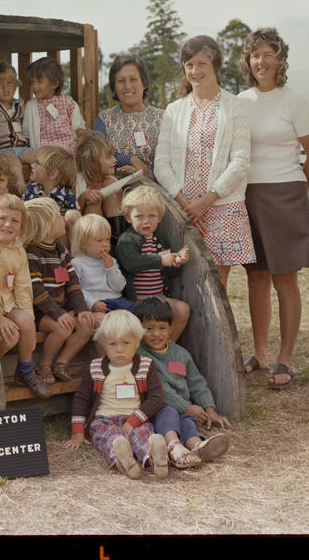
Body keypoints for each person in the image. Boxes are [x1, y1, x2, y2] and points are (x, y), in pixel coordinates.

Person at [237, 27, 309, 389]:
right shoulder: (240, 101)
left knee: (285, 279)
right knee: (255, 277)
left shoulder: (295, 101)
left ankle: (285, 359)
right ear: (248, 61)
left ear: (280, 60)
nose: (262, 61)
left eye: (269, 54)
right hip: (248, 195)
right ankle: (260, 353)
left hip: (286, 193)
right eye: (256, 55)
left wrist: (297, 185)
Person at [154, 35, 256, 288]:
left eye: (201, 64)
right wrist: (187, 205)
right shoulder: (174, 110)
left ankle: (220, 331)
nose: (195, 71)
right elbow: (161, 163)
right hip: (183, 211)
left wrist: (205, 202)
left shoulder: (236, 107)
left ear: (215, 66)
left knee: (216, 288)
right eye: (189, 64)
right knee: (184, 285)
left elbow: (241, 161)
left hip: (222, 207)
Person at [63, 310, 168, 480]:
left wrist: (133, 421)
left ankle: (155, 459)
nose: (119, 350)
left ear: (137, 342)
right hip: (104, 419)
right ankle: (124, 462)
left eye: (126, 343)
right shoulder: (96, 367)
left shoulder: (146, 365)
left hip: (135, 418)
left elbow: (156, 398)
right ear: (103, 344)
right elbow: (81, 398)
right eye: (112, 344)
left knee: (142, 435)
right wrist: (77, 432)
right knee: (110, 438)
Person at [132, 297, 230, 469]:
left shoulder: (181, 354)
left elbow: (197, 383)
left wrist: (209, 409)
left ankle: (197, 445)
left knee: (187, 420)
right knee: (169, 411)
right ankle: (174, 446)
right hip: (155, 406)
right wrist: (185, 406)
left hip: (184, 407)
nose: (156, 334)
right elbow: (161, 390)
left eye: (162, 328)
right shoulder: (141, 355)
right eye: (149, 329)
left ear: (170, 329)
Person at [0, 194, 51, 398]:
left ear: (21, 227)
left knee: (24, 321)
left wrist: (30, 328)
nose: (8, 224)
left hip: (8, 304)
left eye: (15, 221)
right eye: (2, 218)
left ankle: (23, 370)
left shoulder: (18, 251)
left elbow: (23, 287)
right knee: (10, 336)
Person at [22, 197, 96, 384]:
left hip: (61, 308)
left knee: (87, 323)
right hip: (42, 312)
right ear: (45, 225)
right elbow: (36, 291)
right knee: (63, 328)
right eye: (58, 216)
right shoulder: (32, 253)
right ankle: (44, 364)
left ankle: (62, 362)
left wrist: (81, 309)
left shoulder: (60, 249)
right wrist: (57, 313)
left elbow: (72, 281)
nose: (63, 218)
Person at [114, 185, 190, 342]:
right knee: (147, 324)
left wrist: (176, 262)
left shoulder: (160, 240)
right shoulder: (127, 239)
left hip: (159, 297)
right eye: (139, 216)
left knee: (182, 310)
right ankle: (150, 349)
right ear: (128, 217)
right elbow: (131, 263)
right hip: (137, 300)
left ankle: (166, 346)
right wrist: (160, 260)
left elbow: (169, 273)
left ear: (160, 217)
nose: (146, 221)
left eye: (152, 216)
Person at [92, 53, 164, 179]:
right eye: (121, 81)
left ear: (144, 83)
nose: (127, 86)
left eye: (133, 79)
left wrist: (143, 173)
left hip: (156, 191)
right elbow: (97, 155)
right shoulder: (104, 120)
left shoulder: (162, 118)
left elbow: (172, 160)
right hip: (115, 191)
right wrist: (131, 160)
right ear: (114, 86)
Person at [0, 60, 35, 195]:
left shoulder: (20, 106)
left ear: (15, 85)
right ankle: (21, 186)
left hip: (22, 147)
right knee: (13, 162)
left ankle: (36, 182)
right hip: (3, 148)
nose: (5, 87)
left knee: (37, 157)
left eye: (9, 83)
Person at [70, 214, 132, 323]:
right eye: (99, 240)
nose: (105, 244)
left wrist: (111, 268)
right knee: (107, 322)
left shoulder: (111, 260)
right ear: (83, 243)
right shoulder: (77, 263)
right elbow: (76, 289)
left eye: (107, 239)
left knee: (134, 319)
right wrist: (92, 303)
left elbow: (119, 287)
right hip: (97, 304)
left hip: (117, 301)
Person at [21, 56, 86, 155]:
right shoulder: (31, 106)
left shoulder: (68, 102)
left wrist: (80, 141)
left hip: (68, 152)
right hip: (44, 154)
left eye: (39, 81)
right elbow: (26, 134)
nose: (34, 86)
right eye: (32, 82)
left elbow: (79, 126)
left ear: (55, 83)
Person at [21, 144, 82, 239]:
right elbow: (22, 213)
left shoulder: (67, 194)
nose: (32, 165)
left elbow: (74, 221)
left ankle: (69, 253)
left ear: (53, 174)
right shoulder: (30, 190)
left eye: (37, 163)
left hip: (60, 241)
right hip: (36, 237)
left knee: (71, 216)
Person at [75, 133, 124, 221]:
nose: (115, 160)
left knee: (112, 193)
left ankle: (117, 233)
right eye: (108, 157)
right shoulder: (78, 181)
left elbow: (122, 207)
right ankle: (96, 235)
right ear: (93, 163)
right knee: (93, 201)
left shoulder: (110, 179)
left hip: (109, 224)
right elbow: (75, 212)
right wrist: (83, 197)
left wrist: (118, 190)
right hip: (87, 226)